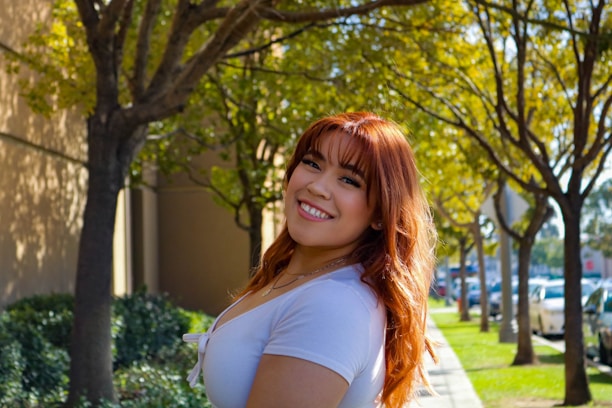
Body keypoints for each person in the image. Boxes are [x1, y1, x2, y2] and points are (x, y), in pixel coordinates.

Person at [183, 111, 438, 407]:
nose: (317, 187)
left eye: (349, 180)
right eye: (312, 163)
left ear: (381, 214)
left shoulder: (333, 305)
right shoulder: (300, 279)